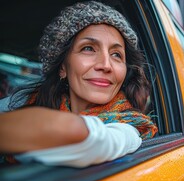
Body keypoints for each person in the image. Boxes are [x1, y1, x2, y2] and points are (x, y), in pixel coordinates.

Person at [0, 1, 158, 167]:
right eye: (88, 48)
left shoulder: (128, 128)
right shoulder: (23, 101)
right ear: (63, 68)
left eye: (116, 54)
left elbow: (78, 133)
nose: (106, 65)